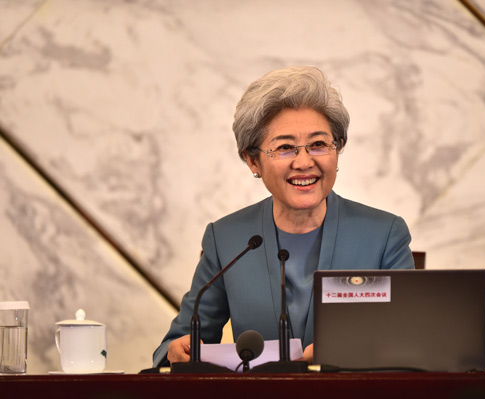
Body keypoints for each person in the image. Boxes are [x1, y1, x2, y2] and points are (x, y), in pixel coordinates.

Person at [152, 66, 414, 368]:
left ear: (338, 149)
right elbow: (179, 343)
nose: (304, 162)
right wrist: (176, 351)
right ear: (253, 161)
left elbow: (407, 346)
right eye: (285, 148)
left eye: (318, 144)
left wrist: (345, 353)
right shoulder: (227, 239)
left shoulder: (383, 235)